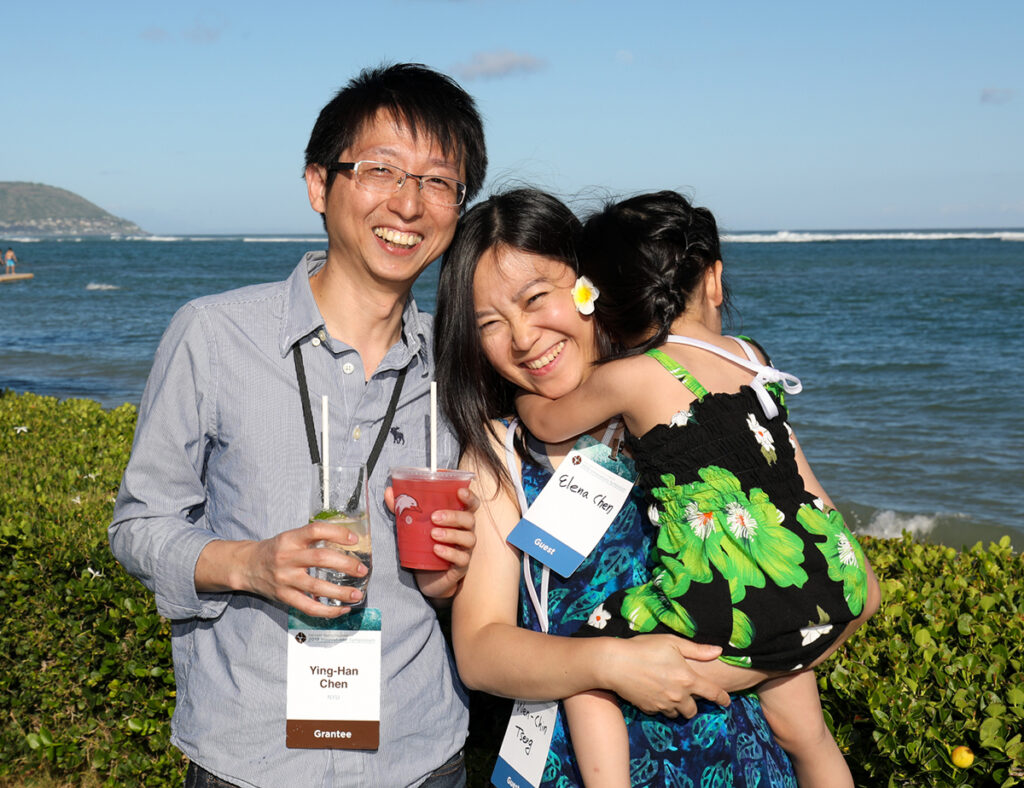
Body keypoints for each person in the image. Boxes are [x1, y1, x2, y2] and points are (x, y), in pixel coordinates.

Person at [109, 63, 486, 788]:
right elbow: (139, 524)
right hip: (248, 755)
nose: (409, 204)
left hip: (418, 754)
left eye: (439, 181)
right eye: (381, 170)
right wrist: (249, 564)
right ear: (319, 184)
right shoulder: (214, 335)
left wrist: (462, 574)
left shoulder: (460, 361)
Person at [514, 190, 882, 787]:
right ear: (713, 280)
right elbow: (796, 475)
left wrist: (519, 397)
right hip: (821, 578)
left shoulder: (631, 378)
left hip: (731, 600)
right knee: (806, 735)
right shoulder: (752, 357)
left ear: (603, 306)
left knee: (587, 665)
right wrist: (855, 570)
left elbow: (546, 422)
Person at [435, 188, 800, 787]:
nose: (523, 338)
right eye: (491, 325)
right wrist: (612, 662)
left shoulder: (678, 406)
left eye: (537, 299)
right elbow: (479, 650)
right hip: (582, 761)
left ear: (591, 286)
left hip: (730, 748)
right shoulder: (499, 451)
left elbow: (802, 553)